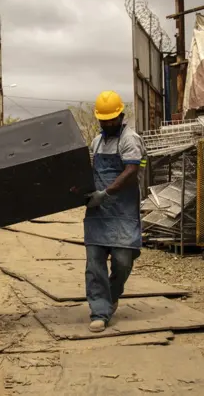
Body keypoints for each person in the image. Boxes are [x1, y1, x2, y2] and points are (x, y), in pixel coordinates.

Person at [84, 90, 147, 333]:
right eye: (104, 119)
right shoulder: (97, 142)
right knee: (94, 263)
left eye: (112, 119)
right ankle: (99, 310)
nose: (108, 123)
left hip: (122, 210)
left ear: (121, 116)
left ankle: (112, 295)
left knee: (122, 262)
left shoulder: (130, 139)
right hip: (98, 214)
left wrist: (106, 193)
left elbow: (131, 170)